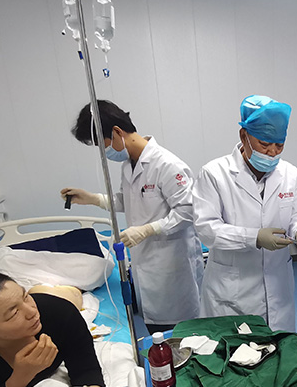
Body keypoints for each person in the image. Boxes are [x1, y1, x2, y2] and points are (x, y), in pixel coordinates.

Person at [61, 100, 203, 334]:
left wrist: (148, 229)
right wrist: (93, 199)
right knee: (156, 331)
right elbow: (129, 200)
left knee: (179, 334)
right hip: (145, 263)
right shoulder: (128, 165)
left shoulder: (167, 165)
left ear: (117, 132)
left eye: (102, 144)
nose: (103, 152)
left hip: (172, 266)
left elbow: (188, 211)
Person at [192, 95, 297, 332]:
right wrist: (254, 237)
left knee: (279, 348)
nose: (272, 152)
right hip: (232, 294)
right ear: (244, 136)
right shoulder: (214, 174)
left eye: (279, 145)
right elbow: (207, 230)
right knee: (236, 351)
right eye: (264, 143)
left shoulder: (290, 174)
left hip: (278, 288)